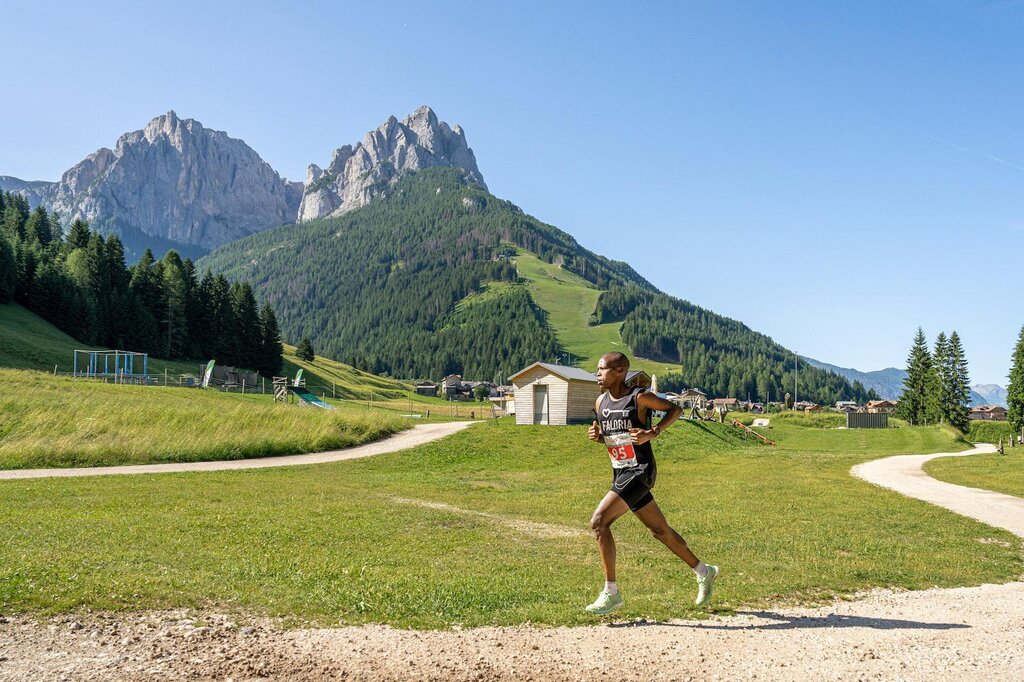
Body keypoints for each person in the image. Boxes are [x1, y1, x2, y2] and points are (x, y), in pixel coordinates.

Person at [584, 352, 718, 615]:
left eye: (602, 369)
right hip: (621, 473)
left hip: (640, 471)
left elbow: (676, 409)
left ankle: (611, 592)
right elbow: (615, 437)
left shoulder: (639, 397)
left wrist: (652, 432)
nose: (598, 374)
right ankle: (704, 571)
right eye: (597, 370)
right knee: (660, 532)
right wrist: (599, 437)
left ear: (620, 370)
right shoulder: (600, 402)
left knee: (599, 522)